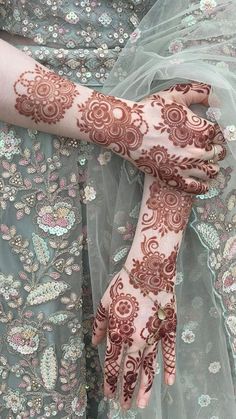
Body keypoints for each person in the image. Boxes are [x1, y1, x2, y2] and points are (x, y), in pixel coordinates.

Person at [0, 1, 235, 418]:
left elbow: (205, 54)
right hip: (22, 184)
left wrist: (152, 259)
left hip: (156, 194)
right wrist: (130, 128)